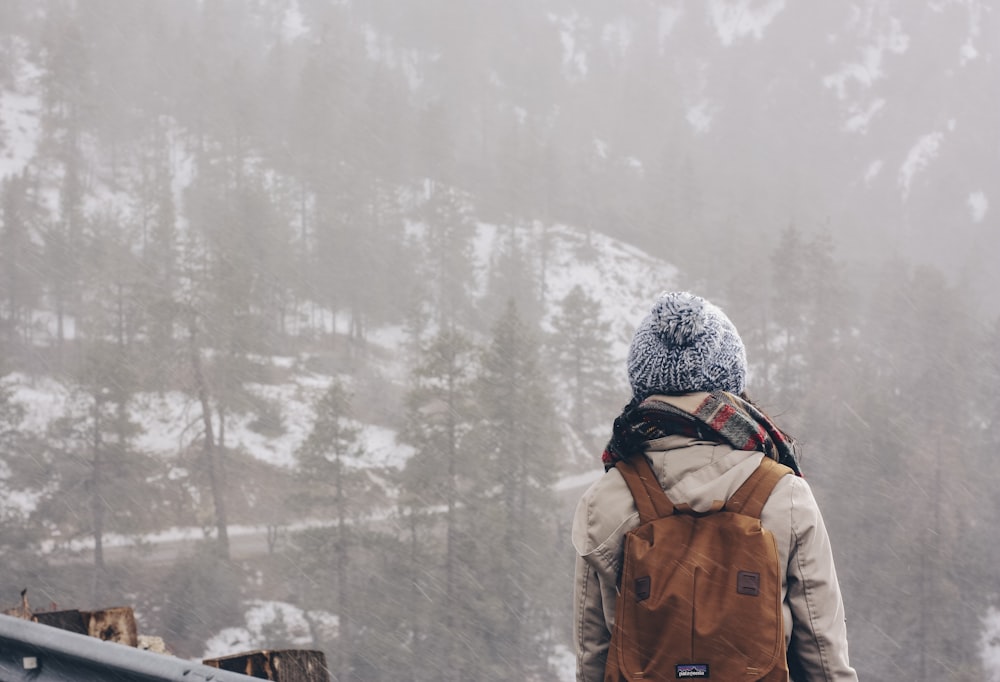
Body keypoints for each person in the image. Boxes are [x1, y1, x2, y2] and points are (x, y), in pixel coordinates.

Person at [572, 291, 858, 681]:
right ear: (732, 384)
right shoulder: (784, 494)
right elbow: (824, 657)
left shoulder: (605, 500)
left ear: (642, 385)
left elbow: (595, 657)